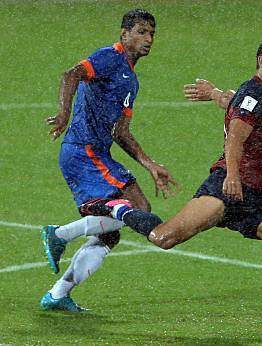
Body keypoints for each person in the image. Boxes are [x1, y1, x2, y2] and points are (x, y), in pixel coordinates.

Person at [75, 36, 262, 327]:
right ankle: (117, 209)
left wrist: (213, 93)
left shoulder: (257, 96)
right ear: (261, 62)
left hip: (250, 197)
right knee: (163, 237)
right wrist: (233, 176)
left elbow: (233, 103)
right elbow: (236, 135)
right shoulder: (255, 94)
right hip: (225, 187)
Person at [41, 9, 178, 312]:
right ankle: (60, 234)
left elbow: (121, 131)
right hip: (82, 150)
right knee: (128, 211)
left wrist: (149, 163)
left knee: (126, 221)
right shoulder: (109, 57)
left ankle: (58, 294)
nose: (148, 39)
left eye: (152, 33)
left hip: (99, 152)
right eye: (142, 31)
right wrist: (64, 111)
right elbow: (72, 74)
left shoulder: (132, 81)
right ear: (124, 33)